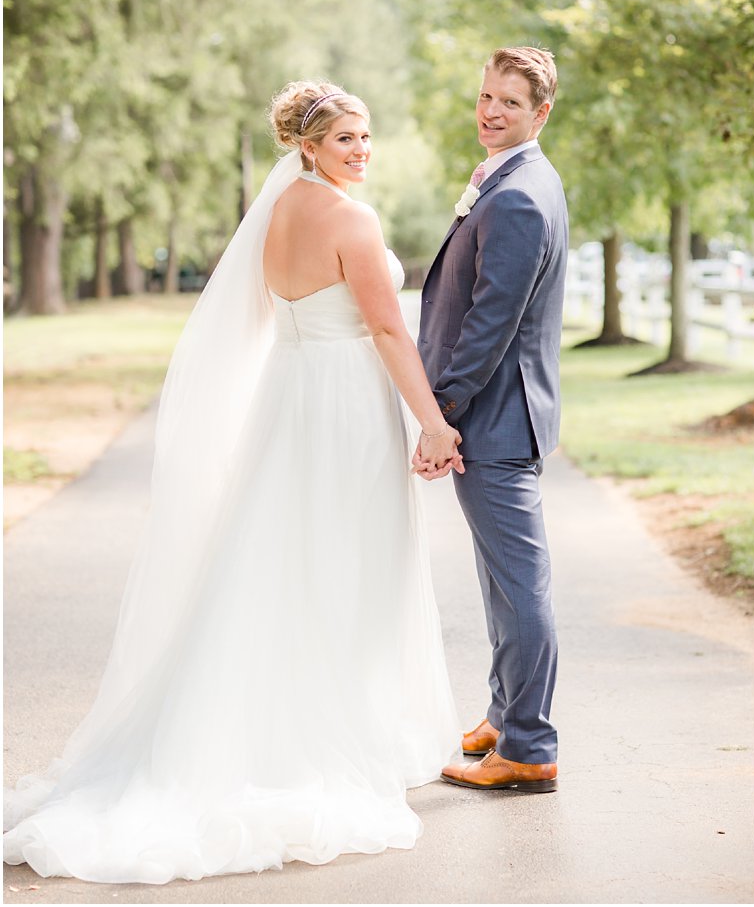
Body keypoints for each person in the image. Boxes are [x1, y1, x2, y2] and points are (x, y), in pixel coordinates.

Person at [3, 82, 461, 883]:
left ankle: (262, 720)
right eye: (346, 138)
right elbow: (387, 327)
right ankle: (328, 733)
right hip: (343, 401)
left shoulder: (281, 212)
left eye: (366, 136)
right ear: (309, 145)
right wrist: (431, 420)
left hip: (288, 399)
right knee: (348, 565)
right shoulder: (352, 218)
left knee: (281, 560)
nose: (361, 149)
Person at [414, 46, 569, 794]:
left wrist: (439, 414)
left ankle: (530, 745)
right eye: (485, 95)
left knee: (521, 583)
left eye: (509, 101)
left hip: (498, 419)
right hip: (502, 415)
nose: (490, 110)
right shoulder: (511, 176)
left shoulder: (516, 195)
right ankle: (507, 714)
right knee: (501, 583)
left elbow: (489, 326)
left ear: (542, 112)